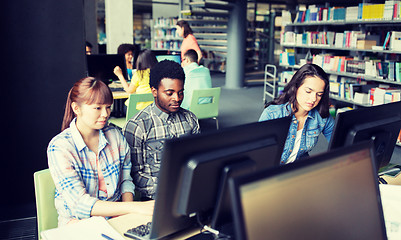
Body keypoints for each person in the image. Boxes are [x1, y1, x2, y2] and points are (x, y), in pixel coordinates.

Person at [47, 77, 154, 226]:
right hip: (77, 224)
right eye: (98, 108)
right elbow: (80, 204)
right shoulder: (60, 147)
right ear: (76, 108)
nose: (105, 114)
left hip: (116, 218)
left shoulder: (116, 136)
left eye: (108, 107)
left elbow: (126, 180)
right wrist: (134, 208)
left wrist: (127, 218)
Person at [123, 60, 200, 200]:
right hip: (157, 199)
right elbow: (135, 175)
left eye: (180, 92)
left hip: (190, 192)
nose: (177, 98)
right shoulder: (137, 126)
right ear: (154, 91)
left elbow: (198, 159)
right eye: (169, 93)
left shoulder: (190, 119)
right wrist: (171, 192)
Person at [259, 64, 335, 165]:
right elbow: (258, 155)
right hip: (273, 171)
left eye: (319, 94)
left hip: (298, 170)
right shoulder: (272, 114)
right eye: (308, 91)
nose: (313, 99)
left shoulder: (322, 116)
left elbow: (341, 143)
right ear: (296, 87)